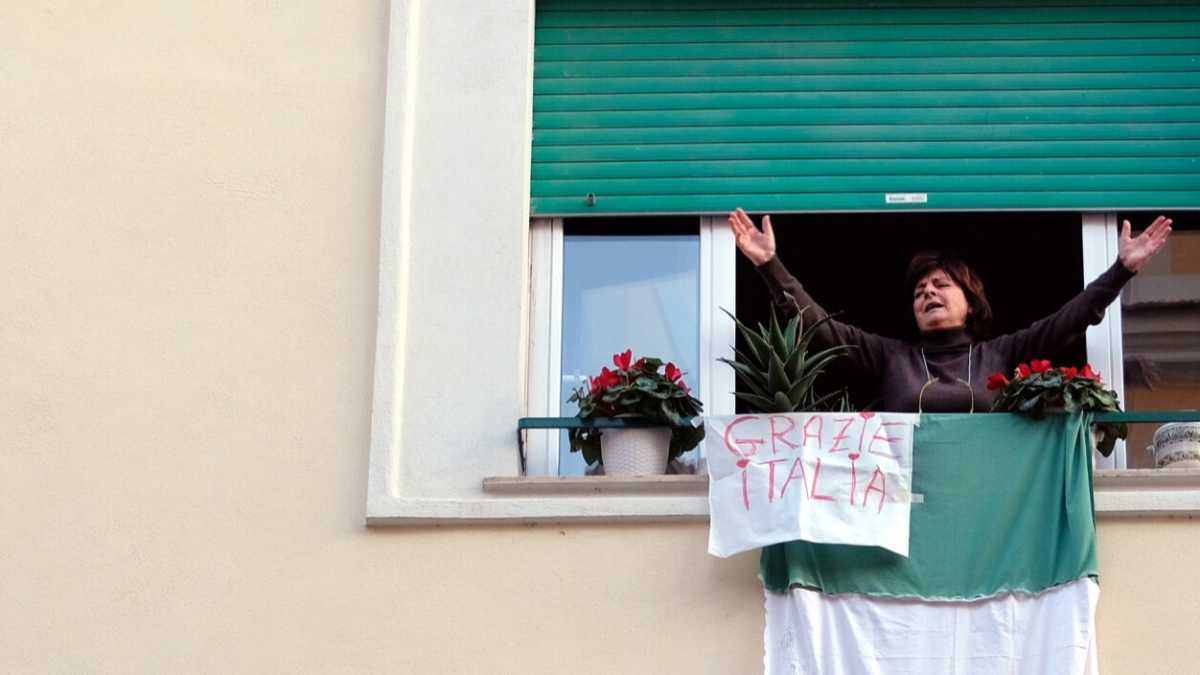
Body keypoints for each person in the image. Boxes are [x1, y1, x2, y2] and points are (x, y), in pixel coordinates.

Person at [728, 208, 1173, 413]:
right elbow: (816, 325)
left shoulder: (1000, 354)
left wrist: (1121, 271)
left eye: (941, 285)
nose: (928, 293)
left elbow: (1069, 321)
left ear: (970, 300)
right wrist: (769, 266)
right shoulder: (891, 357)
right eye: (919, 290)